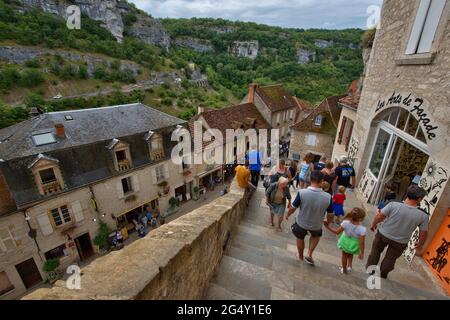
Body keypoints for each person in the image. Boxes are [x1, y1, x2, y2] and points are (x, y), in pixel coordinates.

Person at [366, 185, 429, 279]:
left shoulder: (393, 204)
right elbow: (423, 232)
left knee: (375, 252)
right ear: (419, 199)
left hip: (383, 234)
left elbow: (379, 216)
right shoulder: (423, 215)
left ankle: (370, 271)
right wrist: (420, 243)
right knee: (390, 259)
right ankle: (383, 274)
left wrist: (374, 224)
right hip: (400, 242)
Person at [287, 171, 332, 266]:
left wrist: (288, 215)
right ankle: (309, 254)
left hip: (301, 222)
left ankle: (300, 256)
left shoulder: (302, 192)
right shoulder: (328, 197)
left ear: (310, 179)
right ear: (322, 181)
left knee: (300, 237)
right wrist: (328, 222)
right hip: (317, 224)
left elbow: (293, 207)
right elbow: (330, 214)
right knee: (316, 236)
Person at [324, 208, 367, 274]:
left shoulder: (345, 223)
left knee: (344, 255)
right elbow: (362, 242)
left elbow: (337, 232)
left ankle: (344, 270)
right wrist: (362, 252)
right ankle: (350, 266)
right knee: (350, 253)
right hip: (354, 244)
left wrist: (328, 227)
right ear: (361, 219)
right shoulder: (362, 229)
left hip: (345, 241)